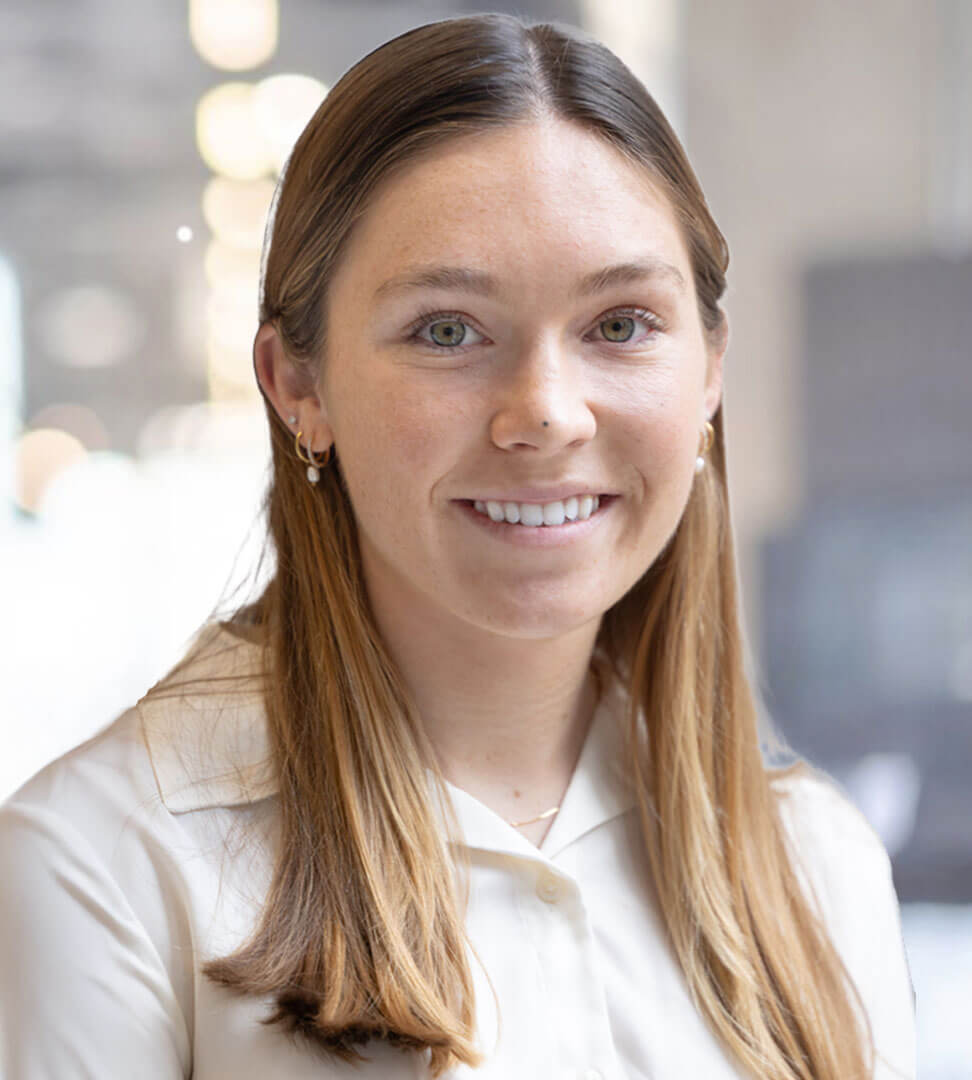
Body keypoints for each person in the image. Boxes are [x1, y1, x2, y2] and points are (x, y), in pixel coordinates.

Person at [0, 13, 915, 1080]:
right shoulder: (104, 867)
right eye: (447, 330)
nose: (546, 414)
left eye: (620, 324)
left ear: (708, 369)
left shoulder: (819, 865)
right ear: (298, 384)